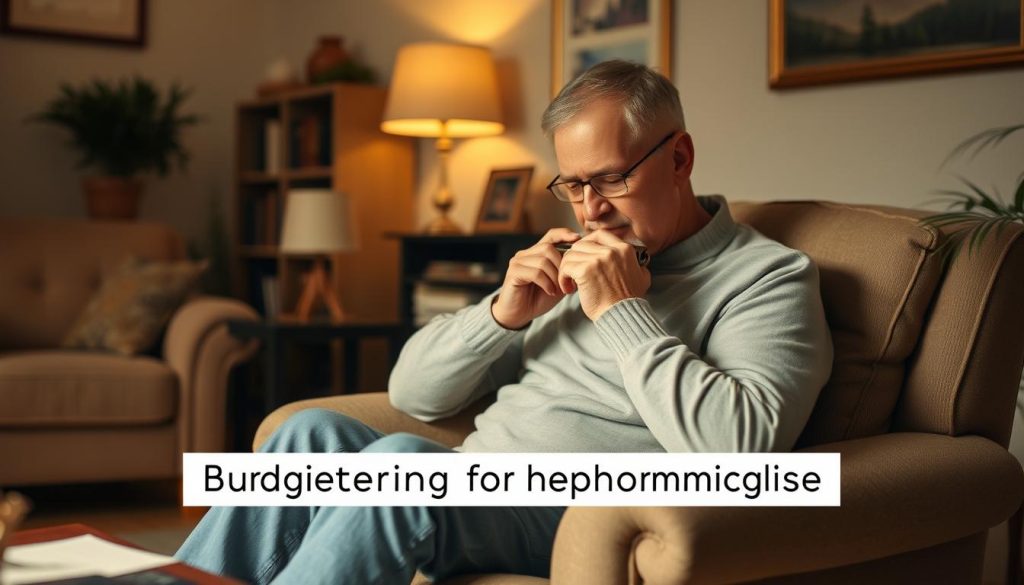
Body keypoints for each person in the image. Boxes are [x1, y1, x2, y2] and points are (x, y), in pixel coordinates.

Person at [175, 60, 832, 584]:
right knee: (307, 431)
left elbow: (743, 450)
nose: (590, 210)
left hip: (579, 512)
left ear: (680, 158)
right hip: (478, 480)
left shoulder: (768, 278)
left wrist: (625, 311)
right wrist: (501, 316)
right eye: (572, 186)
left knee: (402, 466)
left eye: (610, 179)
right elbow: (413, 395)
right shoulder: (567, 264)